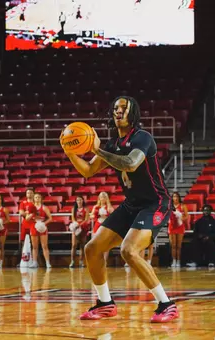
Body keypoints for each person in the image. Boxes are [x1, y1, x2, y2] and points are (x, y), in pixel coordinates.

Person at [63, 96, 178, 322]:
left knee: (129, 250)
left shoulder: (142, 137)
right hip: (131, 205)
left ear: (133, 113)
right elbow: (87, 171)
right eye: (115, 108)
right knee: (92, 249)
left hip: (156, 203)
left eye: (124, 108)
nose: (118, 111)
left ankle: (167, 304)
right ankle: (105, 303)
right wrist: (70, 152)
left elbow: (130, 163)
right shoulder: (112, 144)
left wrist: (98, 150)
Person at [30, 192, 52, 268]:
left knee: (44, 246)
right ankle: (34, 262)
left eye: (39, 197)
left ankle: (47, 263)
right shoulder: (31, 207)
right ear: (33, 199)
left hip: (42, 226)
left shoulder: (44, 208)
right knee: (35, 246)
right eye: (36, 197)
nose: (37, 199)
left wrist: (44, 224)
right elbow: (26, 218)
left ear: (41, 199)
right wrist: (30, 216)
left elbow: (50, 218)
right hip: (34, 226)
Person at [91, 192, 114, 263]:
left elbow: (113, 216)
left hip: (106, 226)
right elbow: (92, 215)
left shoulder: (109, 207)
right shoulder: (96, 207)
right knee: (96, 244)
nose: (102, 199)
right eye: (101, 197)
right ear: (99, 198)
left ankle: (104, 261)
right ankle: (97, 261)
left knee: (106, 244)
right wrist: (94, 216)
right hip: (97, 225)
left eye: (104, 197)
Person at [168, 192, 189, 268]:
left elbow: (187, 216)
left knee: (179, 245)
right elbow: (166, 215)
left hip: (180, 226)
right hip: (172, 226)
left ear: (179, 198)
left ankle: (178, 261)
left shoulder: (183, 206)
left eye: (176, 196)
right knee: (173, 245)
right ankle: (173, 260)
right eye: (174, 196)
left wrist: (181, 218)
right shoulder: (169, 206)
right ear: (172, 198)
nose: (175, 198)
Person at [69, 196, 90, 268]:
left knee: (82, 245)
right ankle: (72, 261)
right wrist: (76, 224)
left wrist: (80, 225)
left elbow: (86, 219)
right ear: (76, 201)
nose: (79, 201)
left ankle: (81, 261)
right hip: (76, 228)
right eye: (77, 200)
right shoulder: (74, 209)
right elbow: (73, 218)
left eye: (80, 200)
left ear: (83, 201)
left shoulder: (86, 209)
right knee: (74, 245)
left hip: (83, 228)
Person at [19, 188, 36, 266]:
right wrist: (28, 215)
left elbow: (38, 212)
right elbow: (21, 212)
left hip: (34, 224)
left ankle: (34, 260)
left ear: (33, 194)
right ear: (26, 194)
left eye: (31, 193)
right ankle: (23, 260)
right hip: (25, 224)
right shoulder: (23, 202)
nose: (29, 194)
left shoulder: (36, 202)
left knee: (34, 243)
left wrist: (29, 213)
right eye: (28, 193)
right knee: (22, 242)